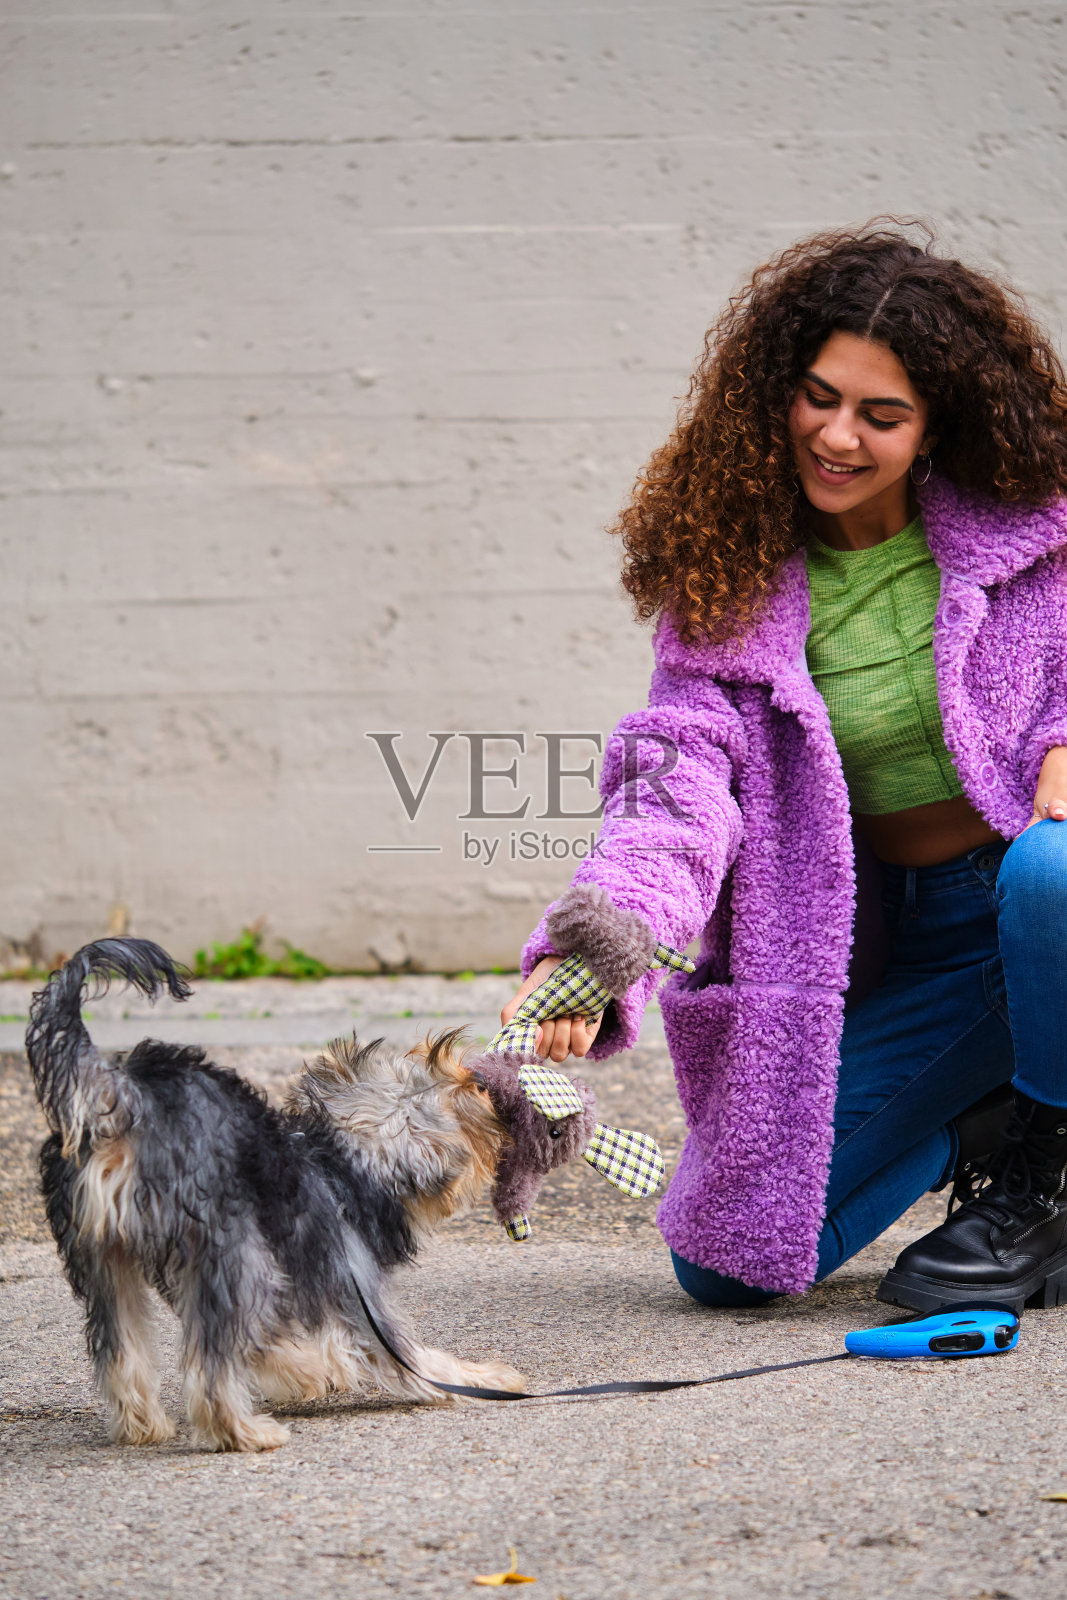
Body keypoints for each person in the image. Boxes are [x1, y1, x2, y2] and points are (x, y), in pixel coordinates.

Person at [501, 224, 1067, 1311]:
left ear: (935, 422)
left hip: (1029, 921)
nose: (837, 435)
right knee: (722, 1263)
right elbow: (674, 783)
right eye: (817, 397)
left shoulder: (1033, 534)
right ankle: (986, 1113)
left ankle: (1043, 1176)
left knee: (1050, 873)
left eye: (879, 414)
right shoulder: (730, 587)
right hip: (886, 945)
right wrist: (599, 941)